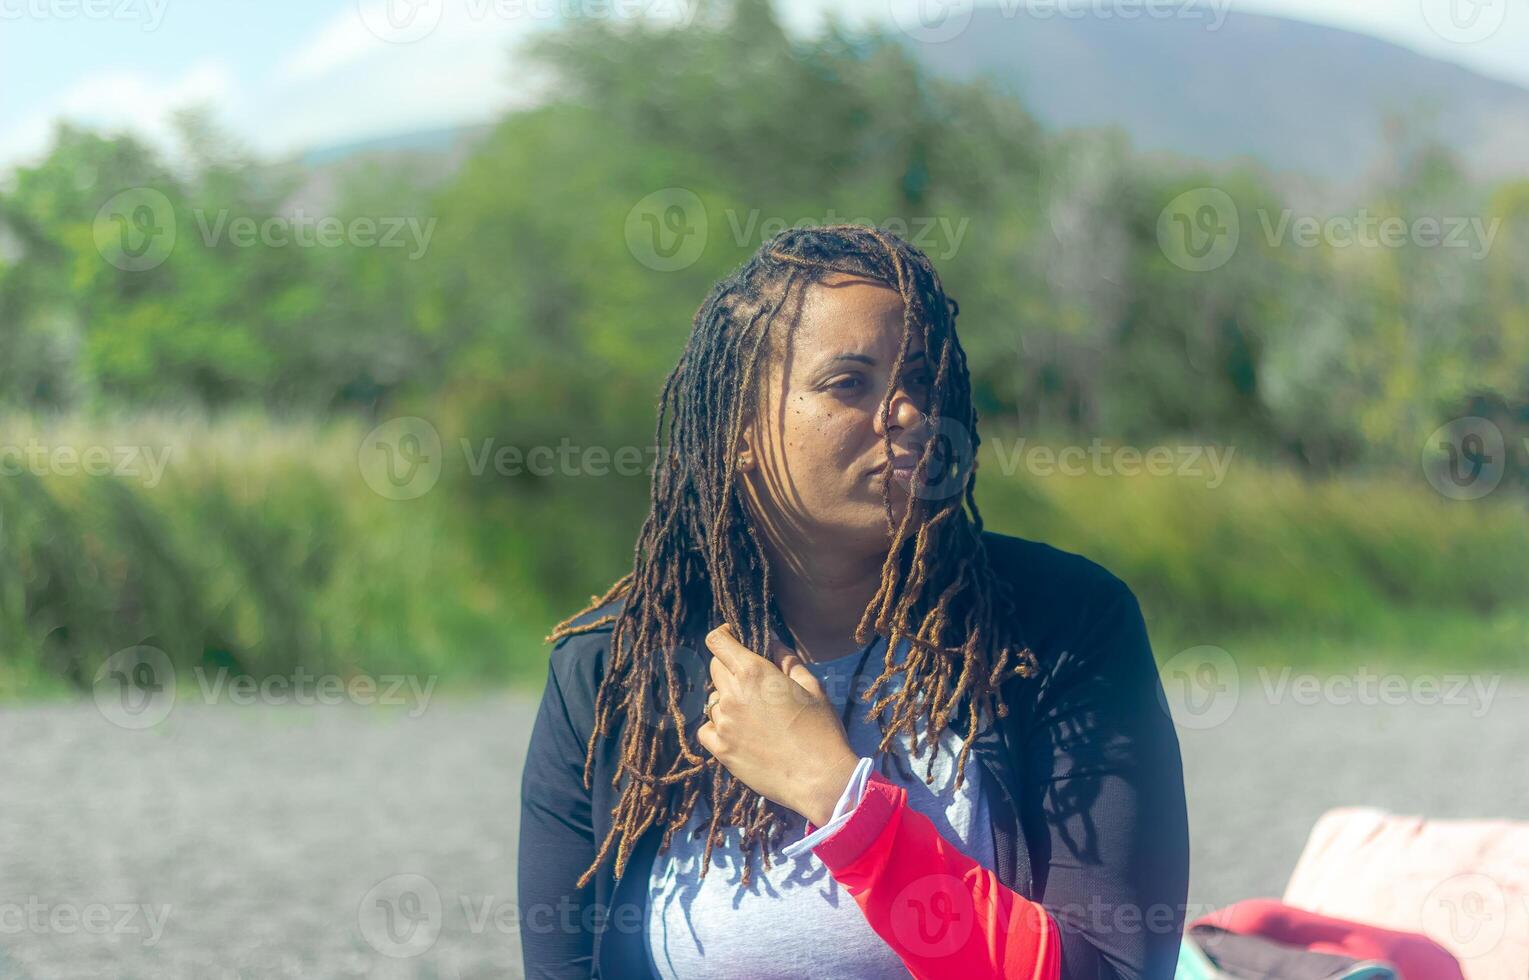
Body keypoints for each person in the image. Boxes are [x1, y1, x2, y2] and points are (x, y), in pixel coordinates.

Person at [518, 224, 1190, 979]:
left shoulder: (1058, 628)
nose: (907, 414)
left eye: (925, 384)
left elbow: (1113, 969)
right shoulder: (613, 670)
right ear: (738, 425)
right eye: (850, 383)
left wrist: (840, 799)